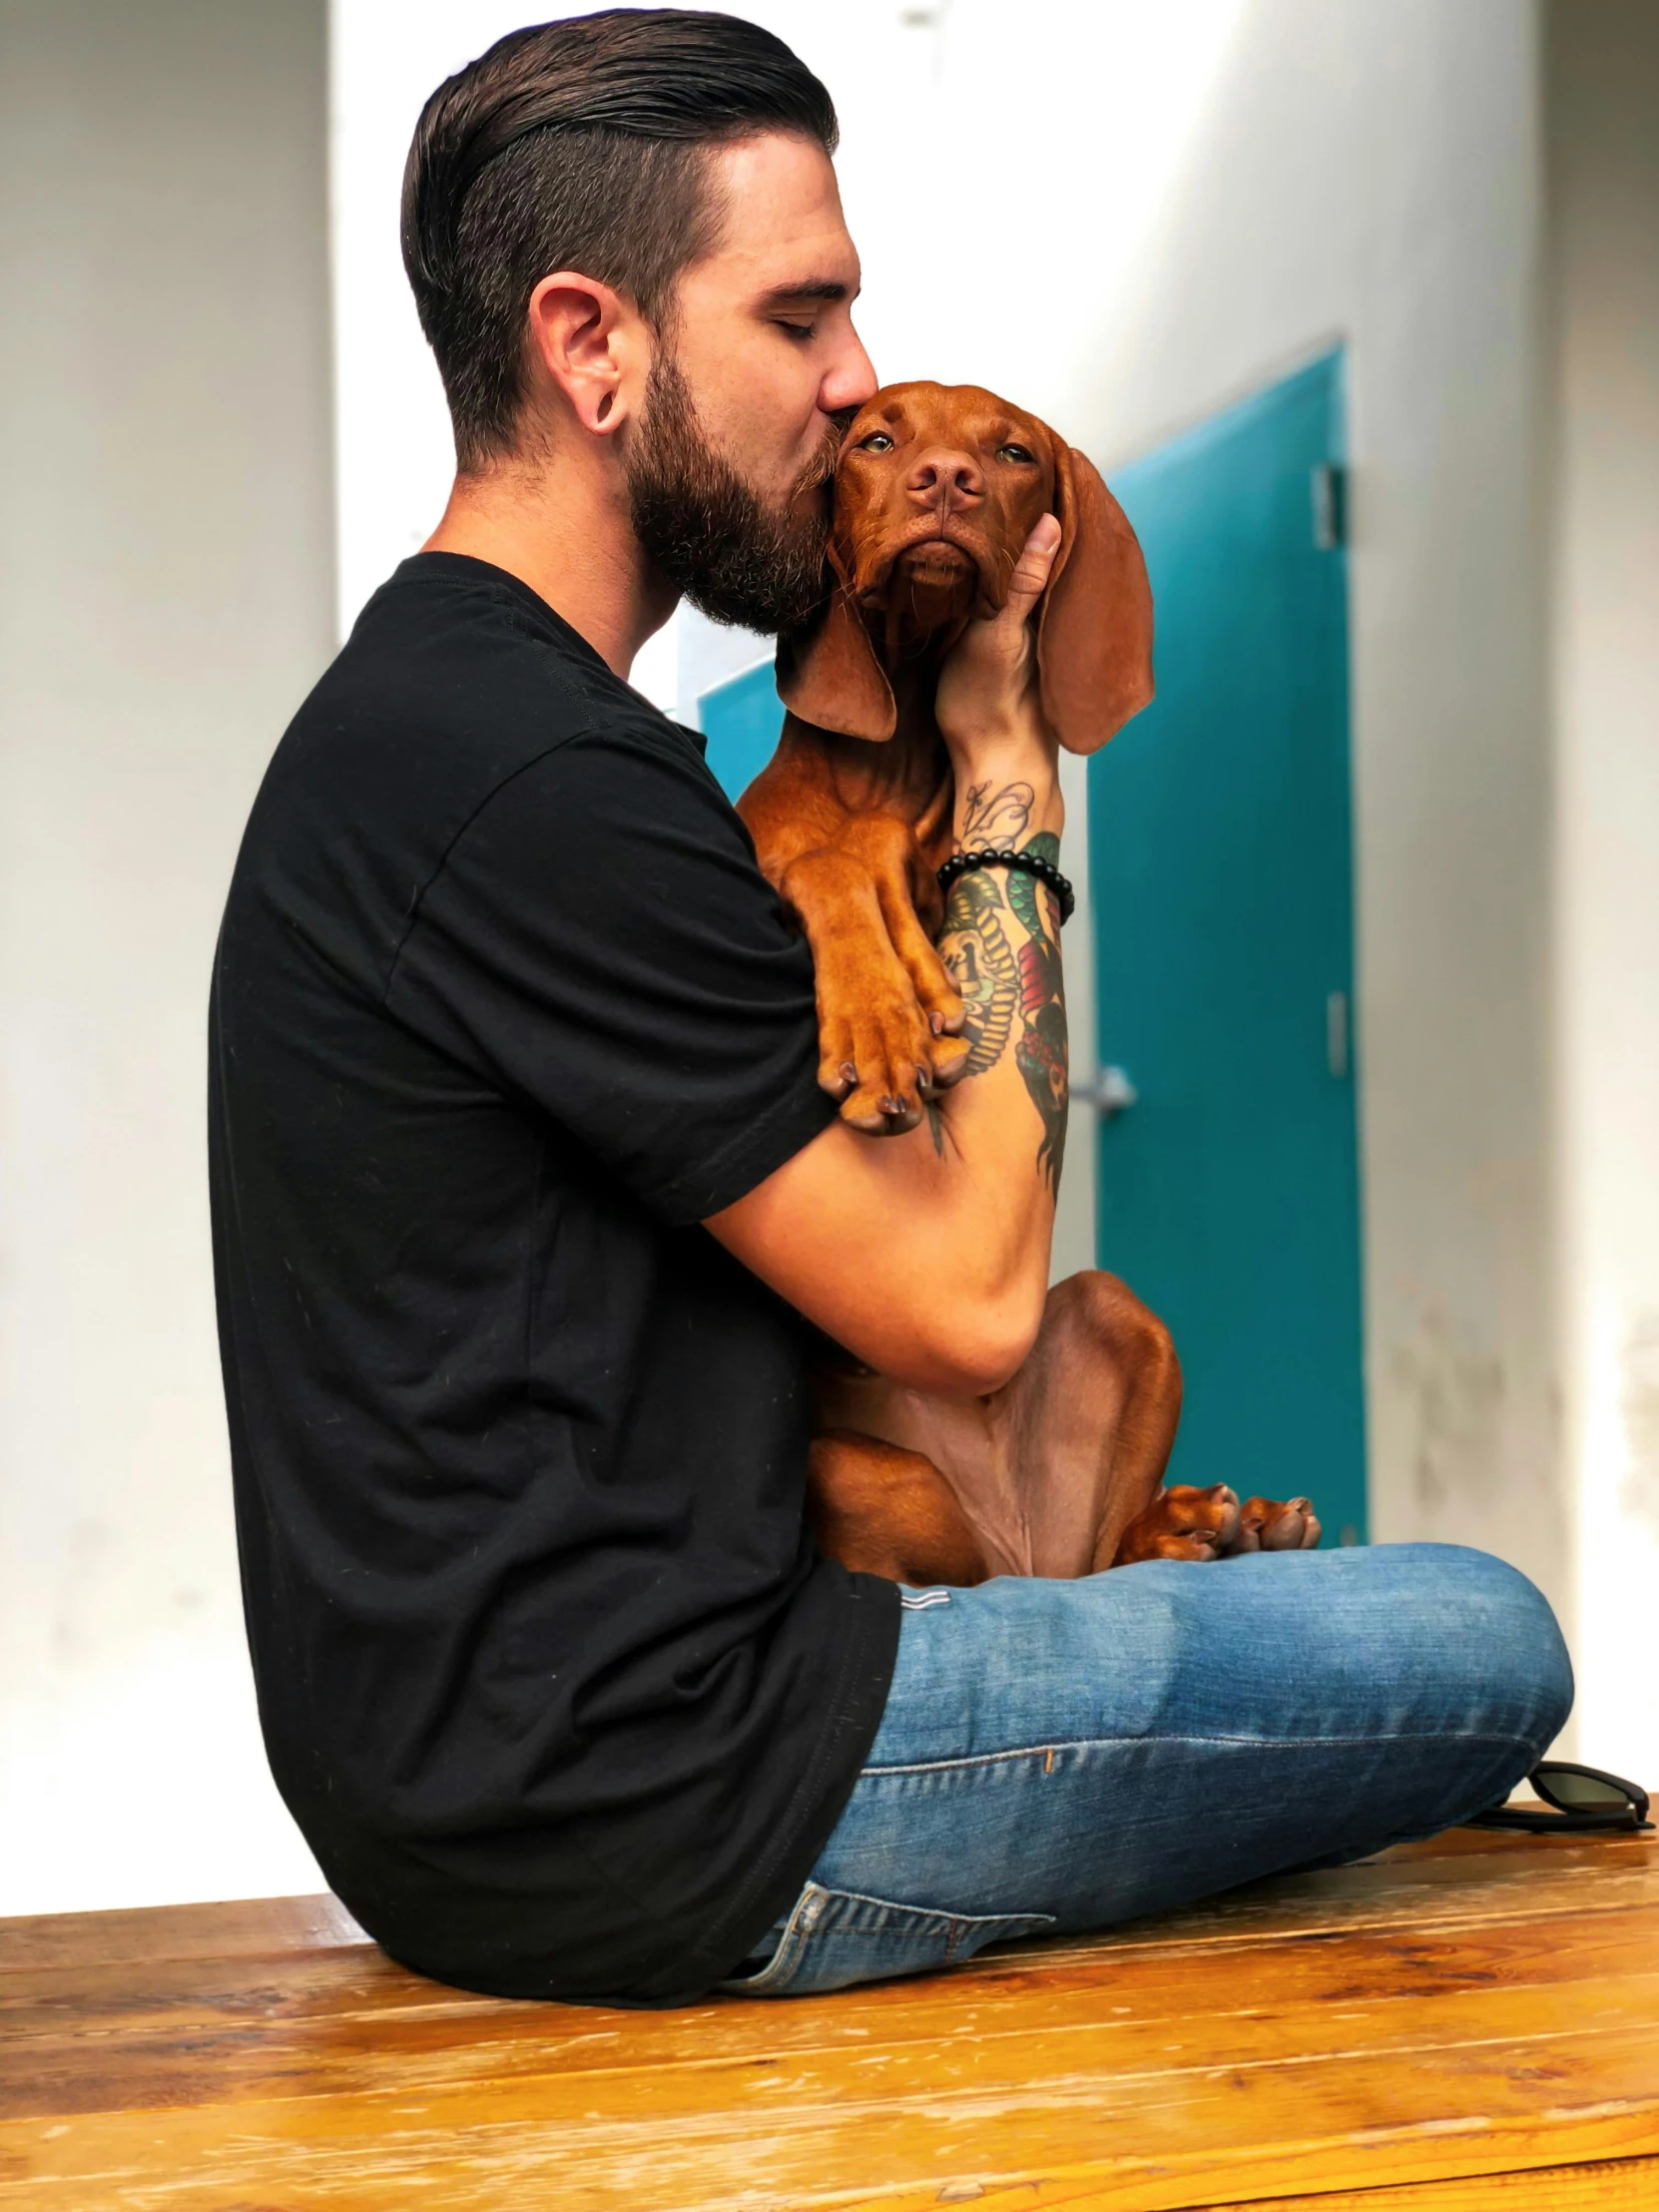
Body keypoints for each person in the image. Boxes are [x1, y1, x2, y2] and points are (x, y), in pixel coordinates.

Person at [209, 9, 1571, 2007]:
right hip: (681, 1790)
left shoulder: (464, 724)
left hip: (533, 1774)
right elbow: (962, 1304)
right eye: (801, 315)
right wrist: (1008, 774)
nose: (856, 381)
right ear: (595, 349)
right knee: (1481, 1633)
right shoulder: (534, 781)